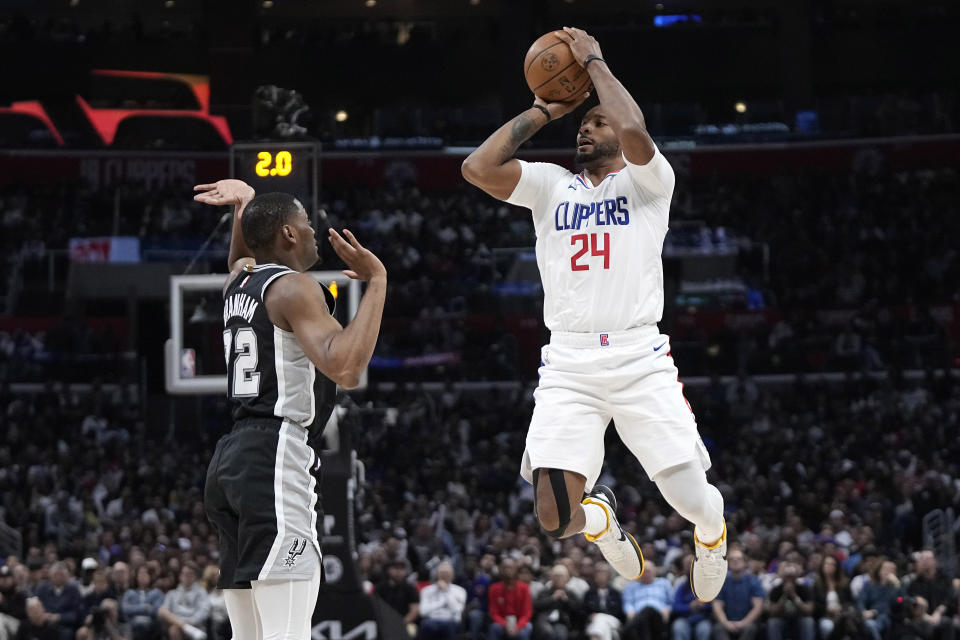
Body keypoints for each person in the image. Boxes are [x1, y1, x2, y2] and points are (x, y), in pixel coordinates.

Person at [461, 25, 727, 600]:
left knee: (688, 497)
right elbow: (477, 169)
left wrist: (595, 63)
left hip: (638, 355)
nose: (587, 126)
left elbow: (632, 127)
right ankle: (602, 522)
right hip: (569, 363)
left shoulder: (649, 182)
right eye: (583, 123)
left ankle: (711, 535)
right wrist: (541, 110)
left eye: (595, 121)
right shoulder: (550, 185)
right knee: (555, 516)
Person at [193, 179, 387, 640]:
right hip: (275, 454)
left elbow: (240, 257)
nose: (315, 230)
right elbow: (347, 370)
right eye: (306, 222)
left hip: (232, 460)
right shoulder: (295, 288)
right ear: (289, 235)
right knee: (288, 632)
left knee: (251, 635)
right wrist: (378, 281)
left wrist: (243, 206)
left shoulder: (238, 283)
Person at [711, 549, 763, 640]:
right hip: (727, 622)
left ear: (745, 562)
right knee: (718, 628)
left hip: (747, 622)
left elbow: (757, 607)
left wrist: (743, 623)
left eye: (738, 559)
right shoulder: (720, 581)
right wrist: (726, 623)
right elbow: (717, 606)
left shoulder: (754, 581)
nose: (735, 561)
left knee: (751, 628)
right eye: (732, 559)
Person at [908, 550, 958, 640]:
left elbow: (950, 599)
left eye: (927, 559)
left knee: (947, 623)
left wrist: (939, 612)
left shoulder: (945, 579)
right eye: (922, 559)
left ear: (934, 561)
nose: (925, 561)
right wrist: (926, 617)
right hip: (922, 617)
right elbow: (913, 602)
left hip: (944, 615)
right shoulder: (915, 583)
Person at [620, 559, 672, 640]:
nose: (645, 574)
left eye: (648, 571)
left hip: (658, 616)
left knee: (648, 610)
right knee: (644, 618)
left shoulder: (664, 583)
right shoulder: (631, 586)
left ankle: (626, 630)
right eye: (643, 571)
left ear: (654, 572)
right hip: (637, 617)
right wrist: (630, 612)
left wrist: (667, 610)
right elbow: (627, 603)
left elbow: (671, 602)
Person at [157, 563, 210, 640]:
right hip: (178, 622)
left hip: (194, 624)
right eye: (184, 574)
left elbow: (204, 611)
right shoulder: (172, 593)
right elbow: (163, 611)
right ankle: (186, 627)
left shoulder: (201, 592)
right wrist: (182, 624)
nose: (187, 576)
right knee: (162, 610)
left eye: (190, 574)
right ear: (180, 576)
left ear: (195, 576)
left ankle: (186, 627)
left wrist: (190, 622)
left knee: (174, 629)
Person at [765, 561, 815, 640]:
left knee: (808, 621)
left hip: (799, 620)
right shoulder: (776, 589)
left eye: (791, 577)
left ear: (796, 577)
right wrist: (784, 596)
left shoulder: (804, 589)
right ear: (782, 577)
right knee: (773, 622)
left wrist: (794, 596)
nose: (789, 579)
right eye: (787, 577)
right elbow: (772, 612)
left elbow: (809, 610)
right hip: (782, 620)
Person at [418, 562, 467, 640]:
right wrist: (441, 603)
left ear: (453, 575)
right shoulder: (427, 590)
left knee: (448, 627)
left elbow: (457, 610)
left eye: (447, 573)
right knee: (426, 625)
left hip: (450, 621)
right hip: (431, 620)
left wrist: (446, 591)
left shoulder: (460, 591)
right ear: (437, 574)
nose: (444, 575)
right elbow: (422, 612)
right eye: (442, 572)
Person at [488, 558, 533, 640]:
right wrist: (505, 625)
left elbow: (527, 613)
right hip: (503, 621)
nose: (507, 570)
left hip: (519, 621)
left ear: (515, 569)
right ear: (500, 570)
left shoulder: (524, 588)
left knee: (526, 629)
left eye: (510, 567)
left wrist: (517, 626)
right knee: (494, 627)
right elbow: (494, 613)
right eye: (504, 567)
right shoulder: (494, 588)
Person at [376, 560, 420, 638]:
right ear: (389, 570)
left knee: (412, 631)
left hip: (405, 623)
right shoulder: (380, 588)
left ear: (406, 571)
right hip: (384, 623)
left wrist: (400, 623)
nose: (398, 572)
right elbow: (376, 608)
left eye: (401, 569)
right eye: (395, 568)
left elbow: (415, 610)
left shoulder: (410, 588)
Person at [121, 566, 163, 640]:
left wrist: (135, 609)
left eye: (145, 574)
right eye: (140, 574)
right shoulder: (129, 593)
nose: (143, 576)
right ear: (136, 577)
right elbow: (126, 609)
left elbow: (156, 610)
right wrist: (145, 607)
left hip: (151, 625)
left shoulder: (157, 593)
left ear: (150, 576)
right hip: (133, 623)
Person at [583, 562, 623, 640]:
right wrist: (590, 616)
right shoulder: (589, 593)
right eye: (598, 573)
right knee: (603, 628)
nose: (601, 576)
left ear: (609, 576)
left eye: (603, 573)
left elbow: (619, 612)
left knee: (600, 619)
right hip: (594, 623)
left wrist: (599, 615)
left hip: (613, 621)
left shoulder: (615, 593)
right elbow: (584, 611)